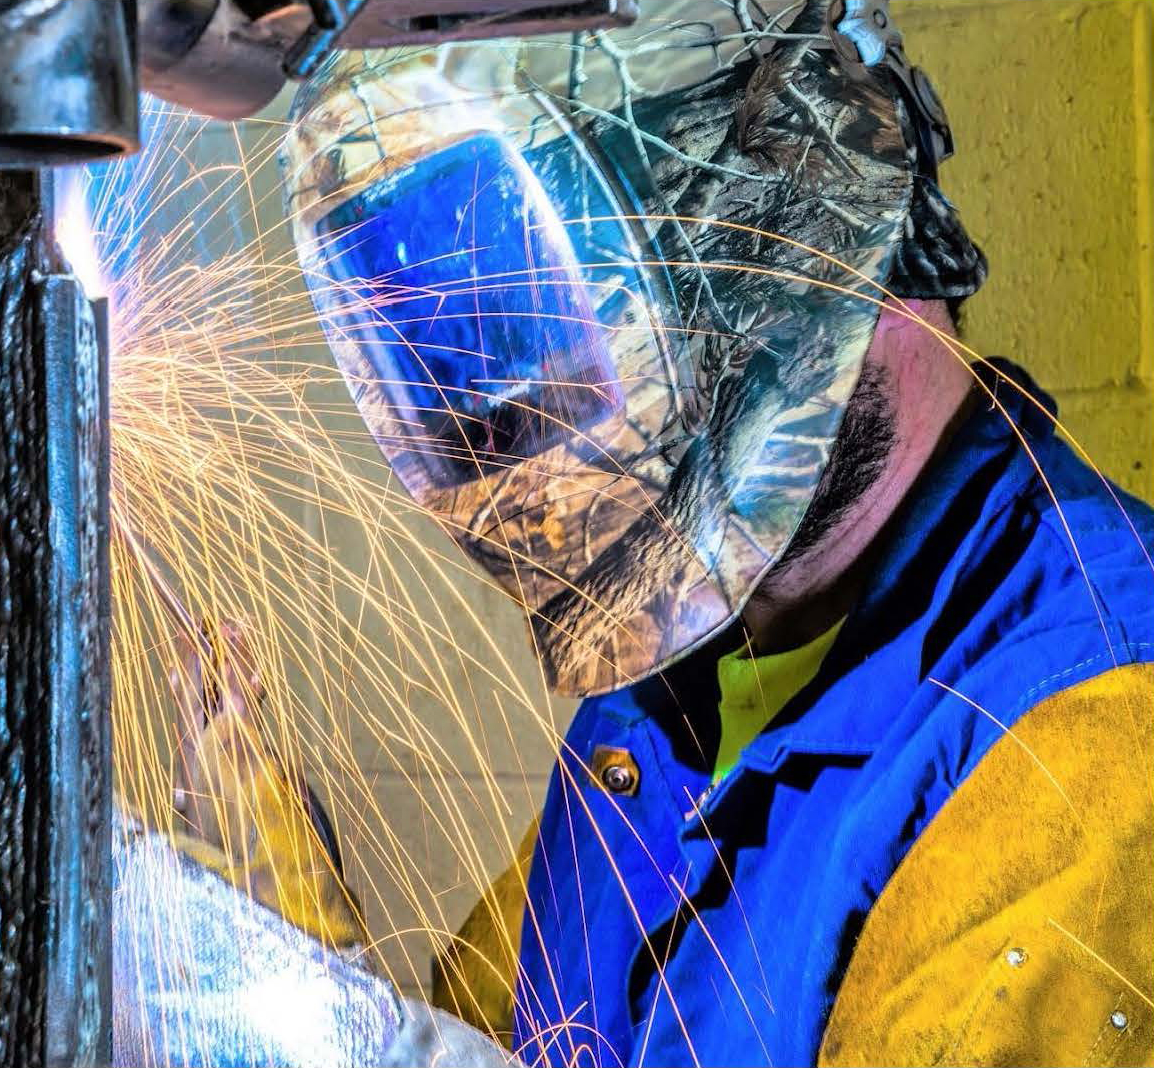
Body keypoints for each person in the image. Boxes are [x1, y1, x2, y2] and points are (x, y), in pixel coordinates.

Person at [171, 2, 1154, 1064]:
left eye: (559, 338)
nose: (538, 470)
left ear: (801, 220)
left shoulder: (1088, 753)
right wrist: (290, 943)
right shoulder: (674, 671)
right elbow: (481, 1046)